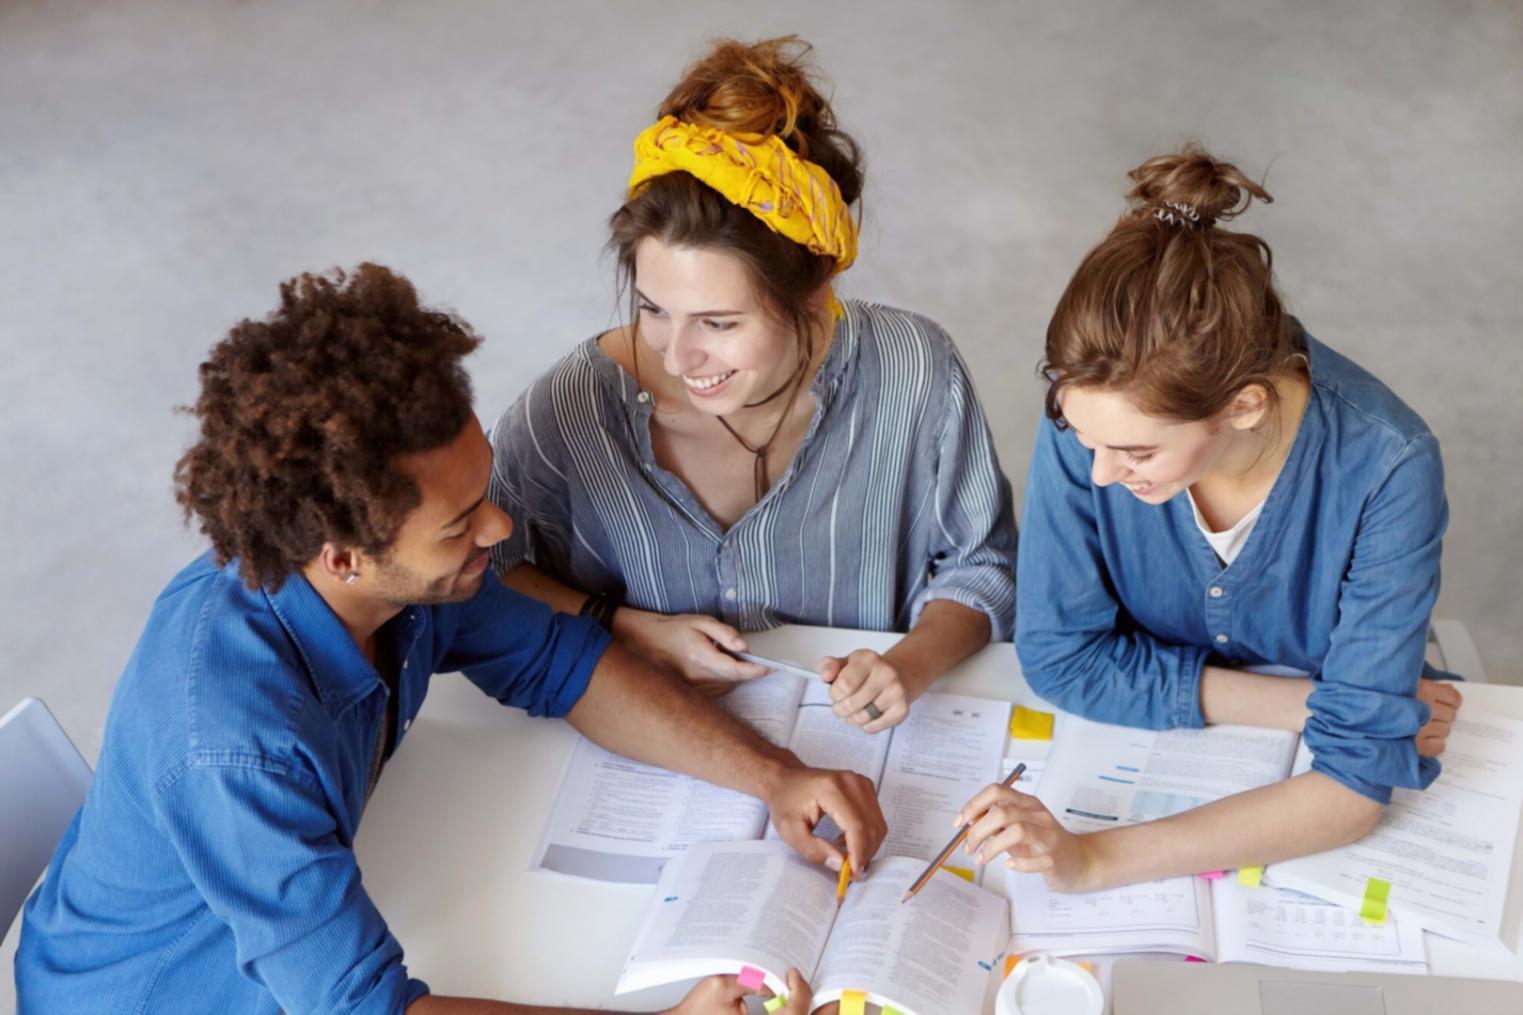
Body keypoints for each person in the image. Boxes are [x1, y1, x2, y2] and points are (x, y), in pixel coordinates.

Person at [14, 265, 878, 1014]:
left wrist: (776, 777)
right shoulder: (232, 748)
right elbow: (367, 1009)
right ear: (344, 555)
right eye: (462, 521)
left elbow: (560, 662)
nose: (498, 530)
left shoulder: (408, 580)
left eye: (483, 491)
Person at [955, 148, 1462, 893]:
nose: (1098, 473)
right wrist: (1318, 704)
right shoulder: (1091, 418)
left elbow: (1352, 790)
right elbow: (1061, 656)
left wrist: (1093, 857)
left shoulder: (1388, 465)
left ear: (1244, 405)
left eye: (1134, 451)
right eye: (1084, 437)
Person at [489, 37, 1016, 733]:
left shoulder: (916, 370)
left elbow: (980, 564)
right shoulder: (568, 411)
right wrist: (619, 625)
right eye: (653, 309)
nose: (676, 357)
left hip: (866, 748)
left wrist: (909, 664)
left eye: (717, 321)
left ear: (815, 289)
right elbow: (485, 575)